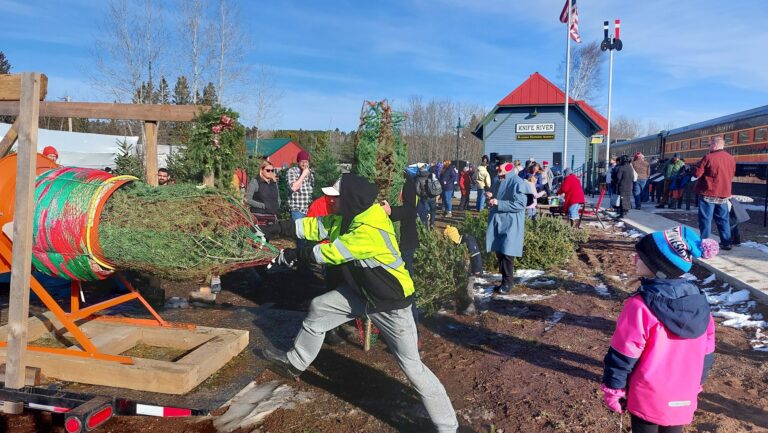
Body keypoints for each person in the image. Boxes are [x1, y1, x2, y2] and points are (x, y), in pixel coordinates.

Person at [262, 173, 459, 433]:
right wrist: (275, 228)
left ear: (351, 200)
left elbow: (329, 252)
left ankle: (449, 427)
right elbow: (314, 226)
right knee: (321, 308)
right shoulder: (349, 218)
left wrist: (291, 255)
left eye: (335, 197)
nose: (330, 201)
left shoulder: (369, 229)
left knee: (412, 368)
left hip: (391, 304)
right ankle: (295, 363)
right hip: (363, 294)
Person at [602, 226, 718, 433]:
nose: (633, 258)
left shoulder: (640, 305)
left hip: (647, 395)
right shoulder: (700, 304)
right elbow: (707, 352)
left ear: (659, 267)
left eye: (641, 256)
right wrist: (696, 383)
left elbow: (623, 353)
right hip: (683, 393)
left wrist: (614, 388)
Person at [486, 162, 527, 294]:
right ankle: (504, 281)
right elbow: (497, 197)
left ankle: (508, 283)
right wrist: (491, 197)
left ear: (508, 167)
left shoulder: (517, 182)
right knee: (499, 252)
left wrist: (499, 202)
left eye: (499, 167)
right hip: (499, 221)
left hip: (511, 222)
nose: (497, 169)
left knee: (507, 253)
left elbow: (520, 204)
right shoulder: (499, 180)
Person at [694, 136, 736, 250]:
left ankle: (705, 243)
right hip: (723, 193)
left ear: (715, 145)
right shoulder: (731, 158)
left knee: (705, 219)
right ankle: (726, 242)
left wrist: (696, 166)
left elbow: (697, 174)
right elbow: (731, 174)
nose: (709, 147)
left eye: (709, 145)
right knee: (723, 219)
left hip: (708, 192)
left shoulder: (708, 157)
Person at [443, 224, 482, 315]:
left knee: (468, 288)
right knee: (460, 287)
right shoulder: (455, 245)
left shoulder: (468, 241)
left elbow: (476, 255)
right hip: (461, 270)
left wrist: (477, 269)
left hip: (470, 270)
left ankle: (470, 307)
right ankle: (461, 305)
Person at [286, 150, 315, 260]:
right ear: (298, 162)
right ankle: (301, 262)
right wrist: (303, 174)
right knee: (301, 236)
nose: (304, 164)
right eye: (302, 161)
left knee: (308, 237)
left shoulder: (310, 173)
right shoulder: (292, 171)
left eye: (306, 161)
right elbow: (294, 187)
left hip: (309, 210)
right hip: (297, 209)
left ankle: (305, 260)